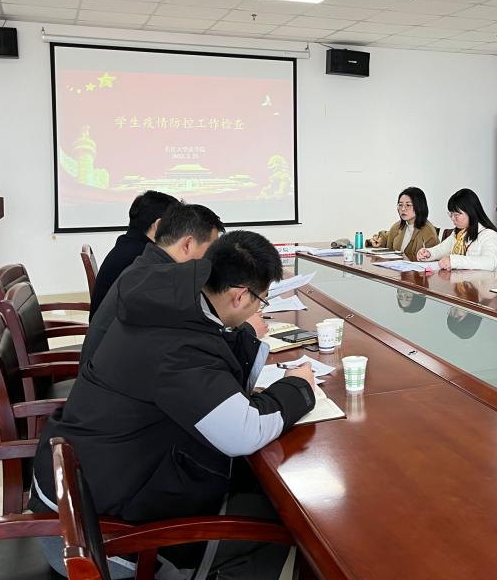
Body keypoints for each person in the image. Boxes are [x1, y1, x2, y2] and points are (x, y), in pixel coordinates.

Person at [29, 230, 316, 579]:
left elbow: (206, 367)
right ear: (240, 295)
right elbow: (243, 432)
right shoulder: (179, 345)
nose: (259, 309)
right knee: (277, 518)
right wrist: (299, 388)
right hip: (102, 539)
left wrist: (244, 337)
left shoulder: (167, 304)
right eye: (261, 300)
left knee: (253, 486)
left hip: (83, 493)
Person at [80, 202, 224, 367]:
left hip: (103, 370)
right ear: (187, 244)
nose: (211, 259)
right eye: (210, 250)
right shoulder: (161, 281)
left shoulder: (148, 266)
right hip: (108, 375)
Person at [90, 190, 179, 315]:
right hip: (114, 326)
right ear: (158, 225)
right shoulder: (142, 258)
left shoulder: (128, 245)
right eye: (177, 226)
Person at [417, 188, 497, 273]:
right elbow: (442, 249)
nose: (452, 218)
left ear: (471, 212)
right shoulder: (459, 233)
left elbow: (489, 263)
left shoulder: (490, 235)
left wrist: (454, 261)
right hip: (467, 281)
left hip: (489, 282)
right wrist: (429, 253)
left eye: (456, 215)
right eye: (451, 214)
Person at [367, 187, 439, 261]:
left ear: (419, 206)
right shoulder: (398, 226)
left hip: (415, 268)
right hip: (395, 267)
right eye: (400, 205)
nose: (403, 209)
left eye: (408, 205)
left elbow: (431, 259)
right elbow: (387, 237)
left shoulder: (428, 231)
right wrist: (378, 241)